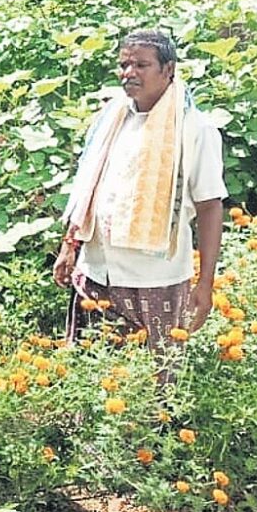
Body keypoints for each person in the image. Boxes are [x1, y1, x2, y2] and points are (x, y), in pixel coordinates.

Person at [53, 29, 225, 357]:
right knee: (89, 371)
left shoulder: (195, 129)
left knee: (155, 375)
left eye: (141, 65)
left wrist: (206, 284)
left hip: (155, 280)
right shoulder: (110, 120)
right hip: (96, 272)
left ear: (168, 69)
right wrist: (69, 245)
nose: (129, 73)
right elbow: (91, 187)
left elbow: (209, 207)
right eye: (124, 65)